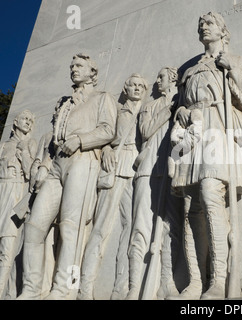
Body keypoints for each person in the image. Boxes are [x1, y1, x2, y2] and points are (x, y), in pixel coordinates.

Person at [168, 12, 242, 300]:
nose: (204, 27)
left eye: (209, 23)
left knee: (211, 193)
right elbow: (181, 106)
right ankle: (196, 281)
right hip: (194, 129)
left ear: (223, 31)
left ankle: (218, 279)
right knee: (189, 207)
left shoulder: (238, 61)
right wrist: (180, 112)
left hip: (220, 125)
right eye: (200, 24)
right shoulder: (190, 70)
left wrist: (231, 69)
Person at [17, 53, 117, 300]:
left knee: (71, 228)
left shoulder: (102, 98)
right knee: (33, 228)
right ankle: (30, 289)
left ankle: (65, 288)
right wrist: (43, 166)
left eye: (79, 66)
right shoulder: (65, 104)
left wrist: (81, 140)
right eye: (71, 65)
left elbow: (108, 130)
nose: (73, 69)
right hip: (55, 166)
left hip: (83, 160)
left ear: (92, 72)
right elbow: (53, 140)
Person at [78, 73, 148, 300]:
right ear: (126, 89)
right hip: (116, 167)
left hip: (136, 170)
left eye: (140, 86)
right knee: (100, 229)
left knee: (130, 230)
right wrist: (107, 149)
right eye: (133, 85)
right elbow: (105, 134)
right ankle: (84, 287)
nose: (137, 88)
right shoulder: (117, 110)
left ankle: (121, 288)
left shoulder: (147, 110)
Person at [126, 67, 181, 300]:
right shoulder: (150, 106)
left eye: (161, 77)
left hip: (172, 167)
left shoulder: (181, 101)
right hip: (148, 168)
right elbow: (147, 131)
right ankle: (134, 286)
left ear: (172, 80)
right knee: (140, 227)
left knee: (172, 227)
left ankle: (167, 281)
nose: (157, 81)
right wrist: (168, 111)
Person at [0, 110, 37, 299]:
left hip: (16, 194)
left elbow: (32, 175)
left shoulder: (30, 144)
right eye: (25, 119)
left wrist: (24, 152)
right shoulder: (3, 145)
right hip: (2, 188)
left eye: (31, 121)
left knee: (7, 247)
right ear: (15, 122)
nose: (28, 123)